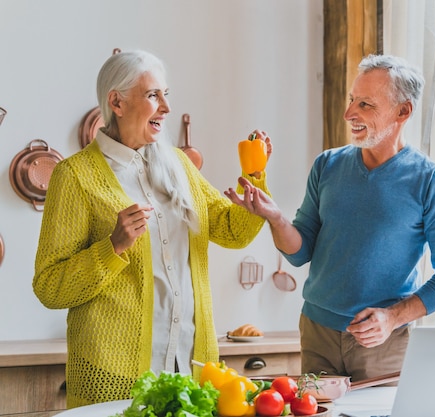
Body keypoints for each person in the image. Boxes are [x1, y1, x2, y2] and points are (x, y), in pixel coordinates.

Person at [32, 50, 271, 407]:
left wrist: (254, 176)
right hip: (114, 376)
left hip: (190, 368)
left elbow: (230, 230)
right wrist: (112, 246)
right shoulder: (75, 176)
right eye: (153, 95)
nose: (166, 107)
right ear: (117, 101)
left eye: (166, 94)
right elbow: (49, 287)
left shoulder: (179, 165)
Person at [225, 54, 435, 382]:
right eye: (352, 99)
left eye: (365, 104)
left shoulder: (431, 181)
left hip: (383, 341)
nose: (349, 113)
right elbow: (299, 253)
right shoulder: (327, 165)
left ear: (403, 111)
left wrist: (393, 317)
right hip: (316, 333)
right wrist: (275, 218)